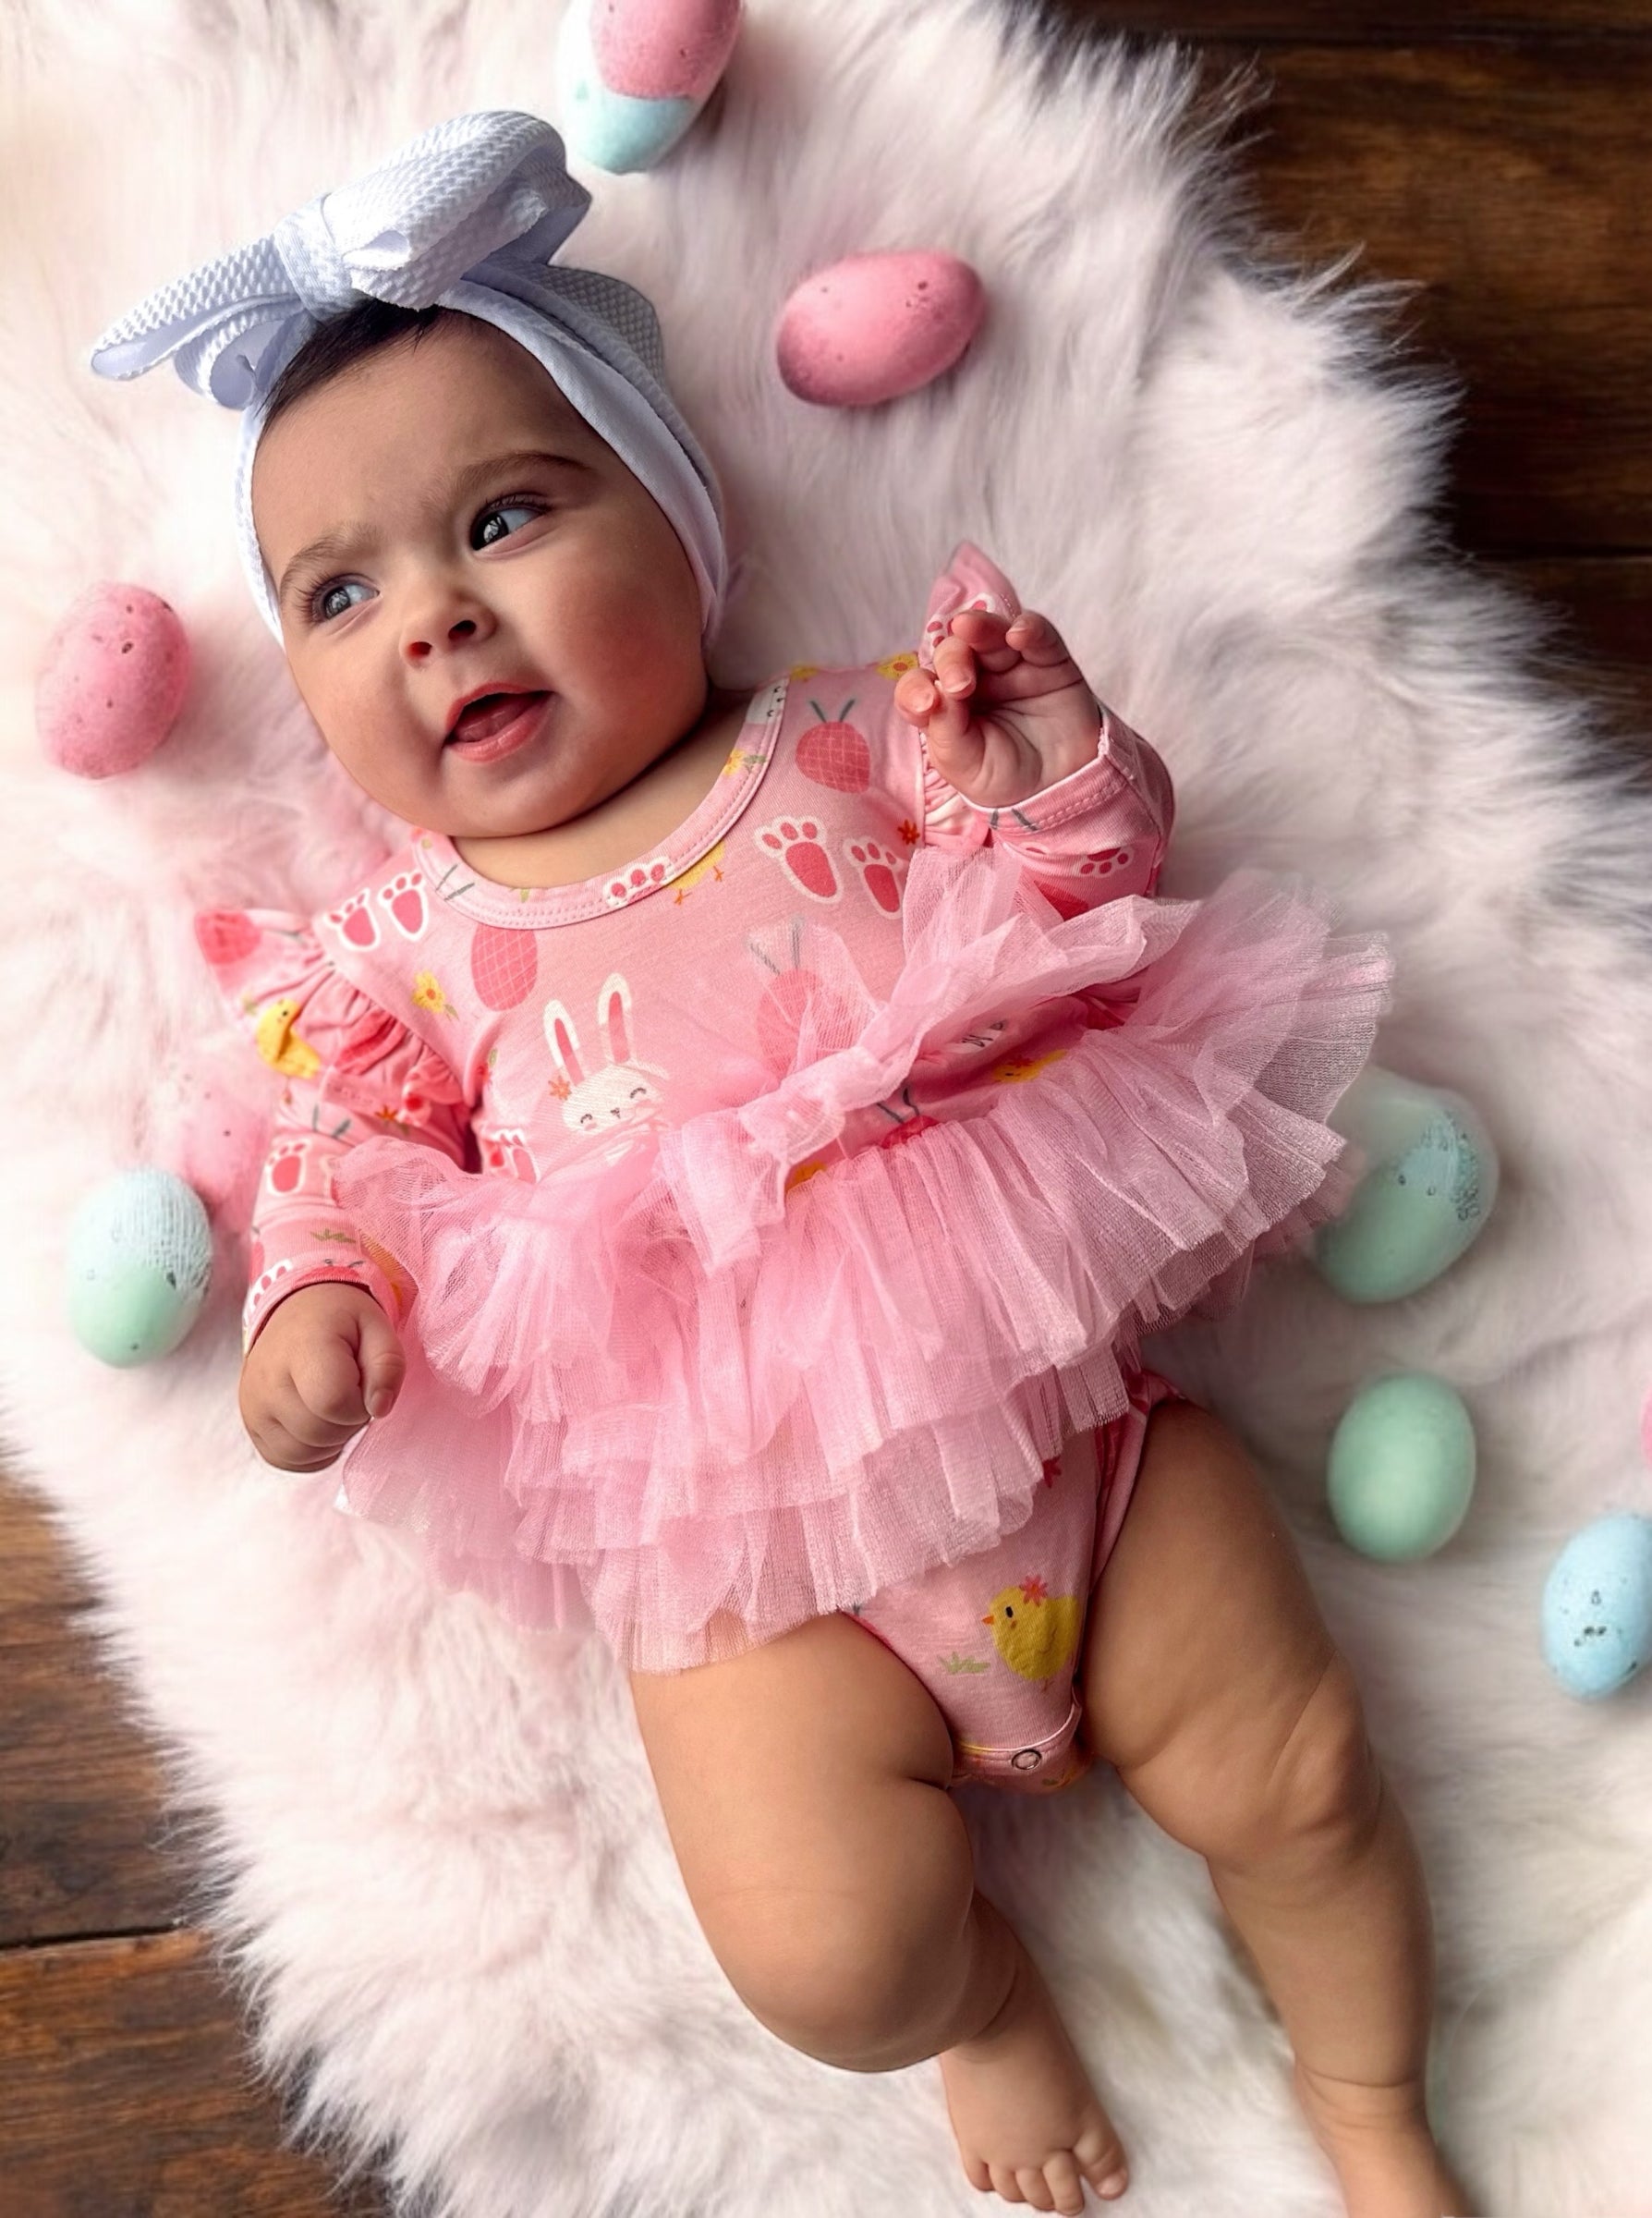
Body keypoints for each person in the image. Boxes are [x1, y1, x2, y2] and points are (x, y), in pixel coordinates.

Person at [93, 110, 1476, 2218]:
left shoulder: (839, 740)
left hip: (1067, 1444)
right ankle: (982, 1998)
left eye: (507, 514)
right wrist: (319, 1298)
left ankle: (1371, 2104)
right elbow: (345, 1153)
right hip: (745, 1571)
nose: (439, 619)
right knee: (824, 1956)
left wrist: (1050, 771)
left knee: (1299, 1776)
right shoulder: (397, 951)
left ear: (676, 511)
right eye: (343, 593)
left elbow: (1079, 907)